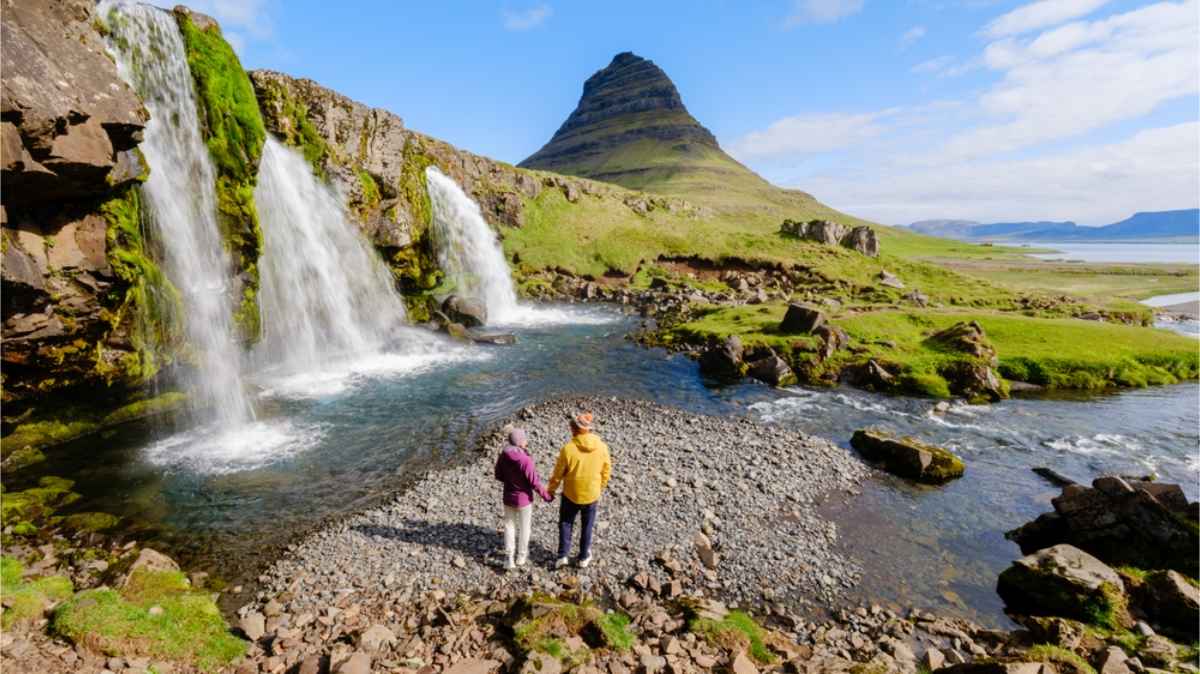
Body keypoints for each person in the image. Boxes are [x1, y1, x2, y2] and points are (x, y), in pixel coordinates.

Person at [546, 412, 611, 569]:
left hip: (571, 494)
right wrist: (599, 487)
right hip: (591, 494)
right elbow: (606, 471)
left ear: (573, 429)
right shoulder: (602, 447)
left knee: (566, 522)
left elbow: (558, 474)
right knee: (587, 525)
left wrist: (551, 490)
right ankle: (583, 557)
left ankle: (562, 555)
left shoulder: (568, 449)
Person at [493, 427, 552, 570]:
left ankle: (509, 559)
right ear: (519, 442)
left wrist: (510, 481)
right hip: (524, 500)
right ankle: (521, 556)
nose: (526, 442)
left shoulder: (503, 455)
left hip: (508, 497)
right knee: (525, 528)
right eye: (524, 439)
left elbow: (498, 475)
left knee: (509, 526)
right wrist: (547, 496)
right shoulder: (526, 460)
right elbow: (534, 482)